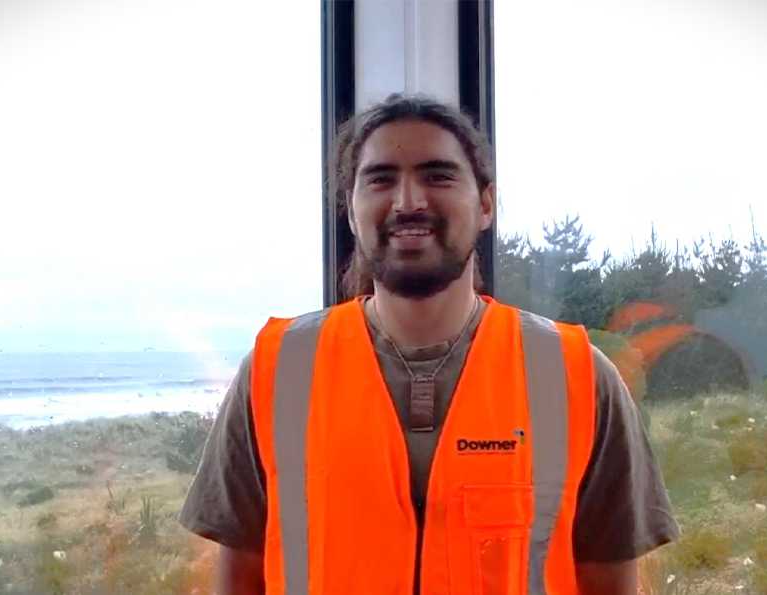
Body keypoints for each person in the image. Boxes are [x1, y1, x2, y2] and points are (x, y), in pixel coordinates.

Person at [179, 93, 680, 595]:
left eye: (438, 176)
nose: (408, 202)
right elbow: (240, 576)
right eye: (380, 179)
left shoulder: (575, 376)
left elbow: (608, 580)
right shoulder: (279, 372)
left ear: (485, 204)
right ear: (350, 210)